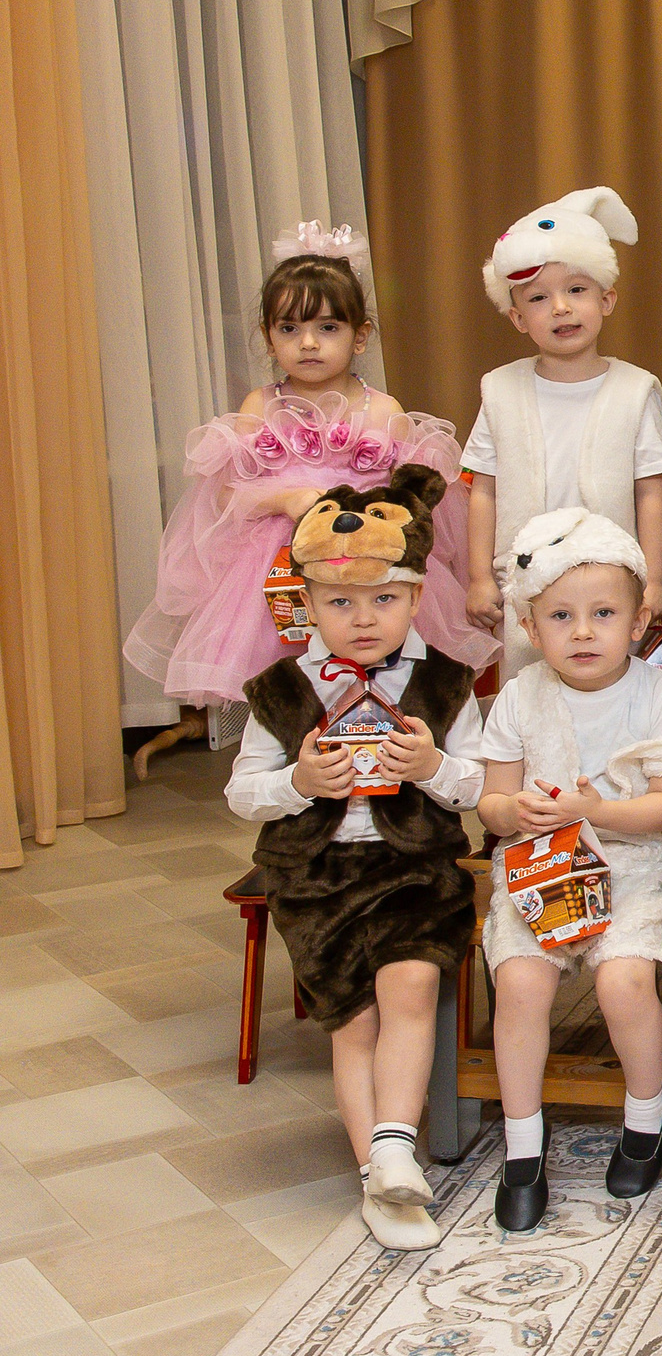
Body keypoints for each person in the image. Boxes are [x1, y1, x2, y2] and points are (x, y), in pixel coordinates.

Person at [222, 465, 485, 1252]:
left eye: (385, 599)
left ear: (414, 598)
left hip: (415, 868)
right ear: (307, 605)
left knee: (409, 984)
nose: (364, 619)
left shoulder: (445, 681)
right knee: (353, 1018)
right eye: (340, 602)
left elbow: (474, 782)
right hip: (316, 875)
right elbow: (243, 793)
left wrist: (432, 768)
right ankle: (377, 1172)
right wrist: (298, 782)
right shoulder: (277, 688)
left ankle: (397, 1146)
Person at [123, 224, 494, 757]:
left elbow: (410, 502)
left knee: (374, 659)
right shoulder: (260, 404)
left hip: (363, 558)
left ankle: (375, 761)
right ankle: (299, 775)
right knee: (297, 676)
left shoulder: (382, 409)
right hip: (278, 560)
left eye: (327, 326)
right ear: (268, 337)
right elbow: (229, 494)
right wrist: (285, 498)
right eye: (290, 328)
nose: (309, 343)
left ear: (359, 335)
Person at [474, 509, 662, 1231]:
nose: (584, 631)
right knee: (522, 981)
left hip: (630, 860)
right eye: (561, 616)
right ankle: (524, 1147)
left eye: (603, 613)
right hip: (541, 867)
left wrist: (598, 812)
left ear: (637, 622)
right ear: (532, 630)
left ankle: (644, 1114)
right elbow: (492, 800)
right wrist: (516, 811)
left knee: (623, 978)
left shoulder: (659, 693)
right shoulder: (519, 695)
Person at [465, 187, 662, 677]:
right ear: (518, 317)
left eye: (576, 290)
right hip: (525, 580)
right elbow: (483, 491)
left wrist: (655, 579)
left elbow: (651, 491)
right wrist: (478, 578)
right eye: (539, 298)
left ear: (606, 299)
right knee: (527, 685)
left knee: (610, 683)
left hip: (609, 582)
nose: (560, 307)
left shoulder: (636, 389)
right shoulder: (499, 390)